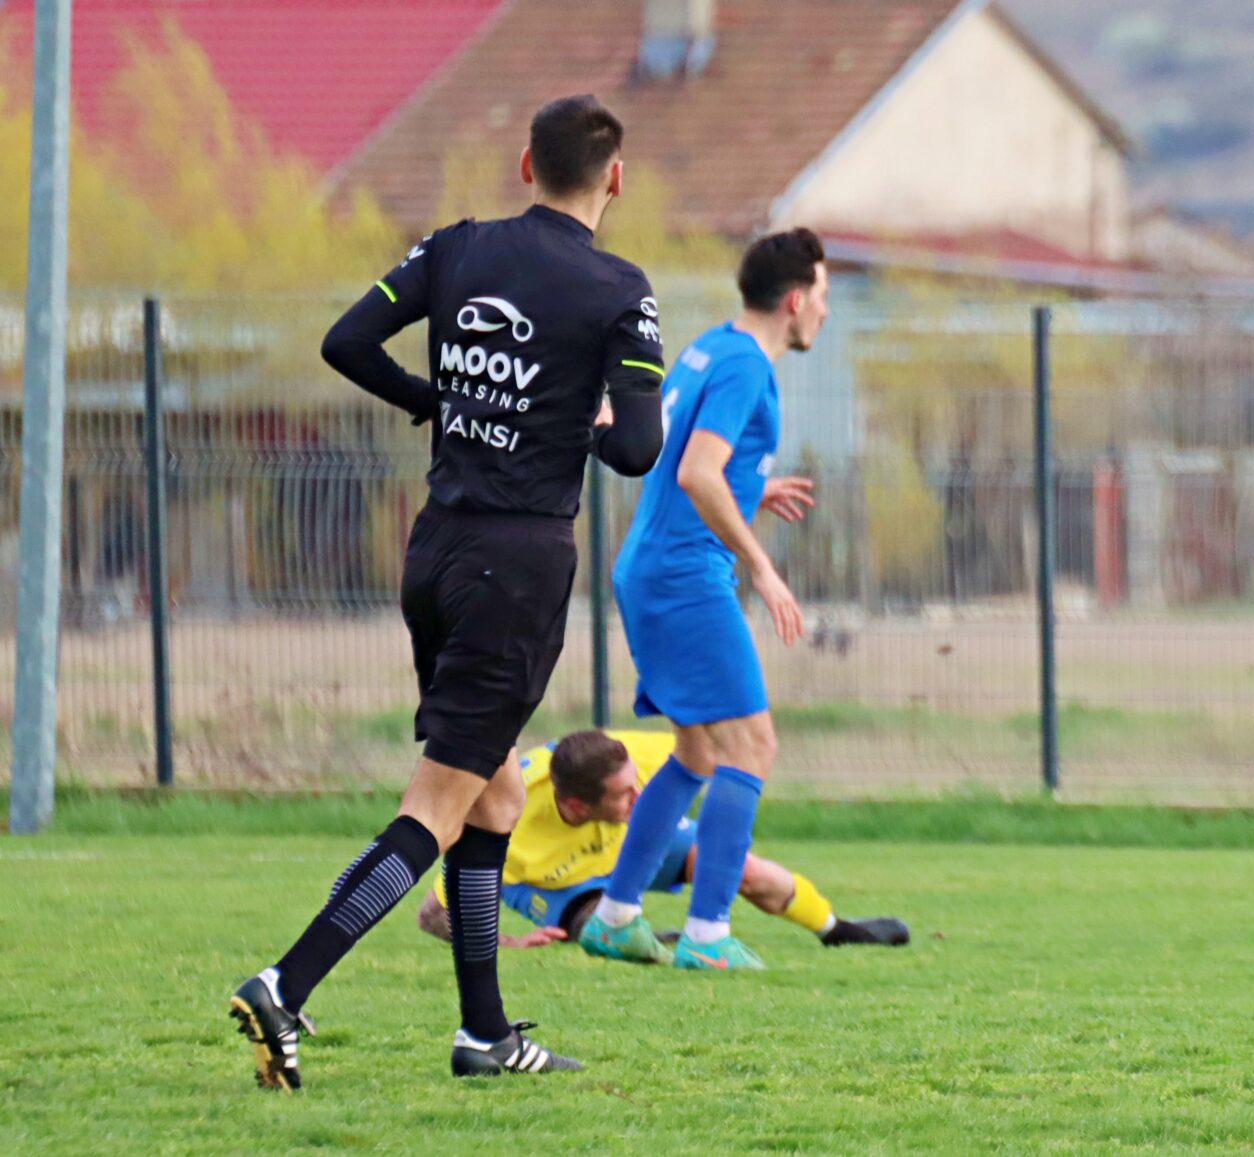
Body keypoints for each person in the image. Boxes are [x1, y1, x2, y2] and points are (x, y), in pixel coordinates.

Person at [227, 94, 667, 1090]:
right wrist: (581, 428)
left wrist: (438, 403)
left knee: (496, 792)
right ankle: (285, 982)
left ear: (525, 165)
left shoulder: (456, 247)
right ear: (615, 177)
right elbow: (639, 448)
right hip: (517, 566)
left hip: (436, 550)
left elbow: (347, 341)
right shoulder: (619, 289)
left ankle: (483, 1033)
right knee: (437, 801)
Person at [578, 229, 831, 973]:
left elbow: (676, 451)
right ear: (794, 301)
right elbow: (696, 472)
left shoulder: (710, 348)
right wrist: (763, 567)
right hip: (686, 577)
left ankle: (615, 917)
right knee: (752, 746)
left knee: (696, 750)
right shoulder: (747, 366)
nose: (825, 311)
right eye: (822, 296)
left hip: (649, 567)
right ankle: (708, 935)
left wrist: (753, 487)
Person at [412, 729, 909, 953]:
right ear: (578, 806)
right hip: (557, 883)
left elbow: (730, 749)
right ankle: (659, 943)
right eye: (625, 795)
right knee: (603, 934)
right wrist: (511, 944)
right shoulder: (507, 822)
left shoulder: (640, 758)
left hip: (631, 845)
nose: (642, 796)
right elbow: (431, 915)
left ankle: (836, 930)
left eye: (639, 785)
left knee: (744, 871)